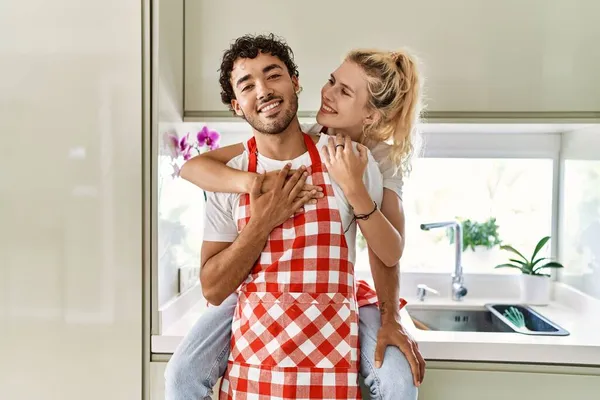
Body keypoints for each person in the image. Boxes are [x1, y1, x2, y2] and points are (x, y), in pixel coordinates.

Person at [165, 33, 424, 400]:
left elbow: (387, 252)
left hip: (331, 326)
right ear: (237, 105)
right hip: (252, 318)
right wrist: (257, 193)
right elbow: (214, 283)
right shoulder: (237, 171)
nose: (264, 90)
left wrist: (391, 317)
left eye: (273, 75)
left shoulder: (359, 162)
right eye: (247, 84)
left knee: (400, 383)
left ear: (294, 81)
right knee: (180, 378)